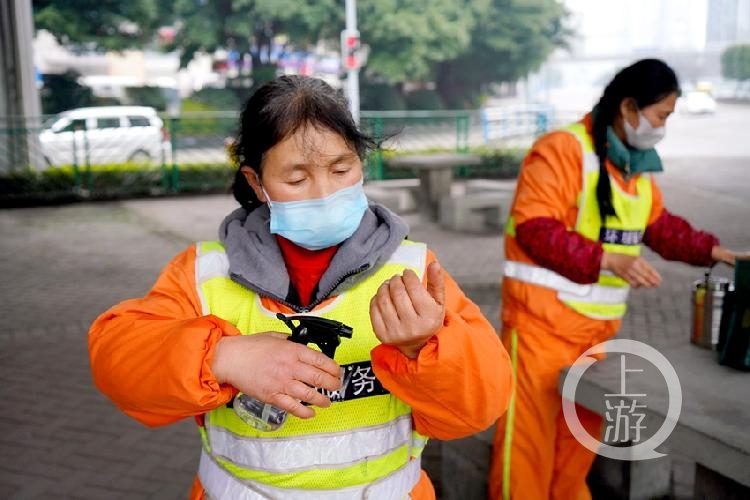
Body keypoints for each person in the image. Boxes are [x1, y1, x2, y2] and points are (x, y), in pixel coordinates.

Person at [89, 75, 513, 500]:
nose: (325, 192)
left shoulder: (413, 269)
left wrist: (427, 347)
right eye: (296, 179)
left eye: (341, 169)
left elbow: (482, 404)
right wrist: (220, 356)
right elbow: (118, 361)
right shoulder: (203, 273)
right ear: (257, 183)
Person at [488, 58, 743, 500]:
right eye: (661, 115)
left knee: (578, 445)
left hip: (596, 333)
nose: (663, 126)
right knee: (527, 448)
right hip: (539, 326)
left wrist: (713, 251)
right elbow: (535, 228)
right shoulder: (562, 149)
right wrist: (608, 259)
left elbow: (658, 225)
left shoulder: (634, 167)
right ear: (629, 107)